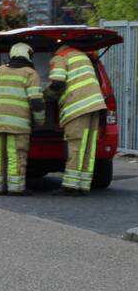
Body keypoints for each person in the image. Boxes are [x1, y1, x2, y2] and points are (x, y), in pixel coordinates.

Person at [46, 41, 107, 194]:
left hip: (78, 106)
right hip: (95, 105)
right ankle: (83, 185)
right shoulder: (82, 56)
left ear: (53, 50)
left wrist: (44, 96)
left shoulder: (59, 57)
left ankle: (70, 186)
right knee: (88, 147)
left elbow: (57, 83)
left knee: (75, 145)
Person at [0, 42, 45, 195]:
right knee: (16, 155)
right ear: (28, 55)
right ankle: (16, 188)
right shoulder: (30, 74)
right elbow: (37, 102)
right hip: (18, 125)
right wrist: (39, 121)